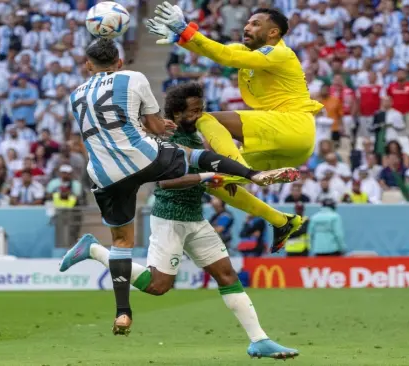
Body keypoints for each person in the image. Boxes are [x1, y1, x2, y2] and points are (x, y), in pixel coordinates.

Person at [69, 39, 300, 337]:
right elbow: (165, 171)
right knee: (157, 285)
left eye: (201, 109)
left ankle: (260, 340)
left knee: (221, 272)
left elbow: (109, 127)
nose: (198, 115)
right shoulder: (141, 89)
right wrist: (211, 177)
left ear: (88, 65)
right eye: (193, 111)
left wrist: (226, 178)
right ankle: (95, 252)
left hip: (111, 176)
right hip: (168, 211)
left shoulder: (76, 95)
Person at [147, 5, 323, 252]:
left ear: (273, 32)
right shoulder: (248, 51)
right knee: (214, 182)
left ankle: (243, 171)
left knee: (206, 119)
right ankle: (282, 221)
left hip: (292, 125)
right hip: (294, 145)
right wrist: (181, 38)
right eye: (248, 22)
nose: (247, 27)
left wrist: (185, 29)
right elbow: (214, 50)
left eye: (255, 24)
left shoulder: (279, 53)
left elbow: (227, 58)